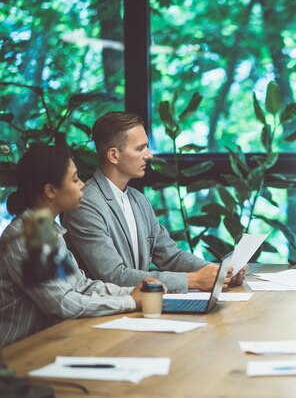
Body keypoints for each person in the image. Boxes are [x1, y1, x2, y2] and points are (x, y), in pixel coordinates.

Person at [62, 112, 244, 293]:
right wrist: (192, 280)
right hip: (102, 314)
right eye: (140, 148)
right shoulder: (85, 203)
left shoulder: (138, 200)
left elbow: (171, 257)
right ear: (113, 156)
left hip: (137, 308)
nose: (148, 155)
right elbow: (114, 276)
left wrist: (219, 272)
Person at [0, 145, 157, 347]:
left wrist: (132, 292)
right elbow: (63, 304)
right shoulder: (28, 235)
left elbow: (81, 286)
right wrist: (130, 302)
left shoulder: (45, 229)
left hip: (47, 345)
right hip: (19, 355)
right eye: (75, 179)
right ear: (50, 190)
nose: (82, 185)